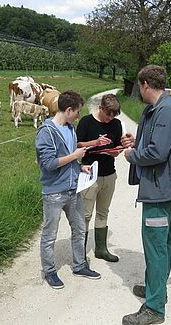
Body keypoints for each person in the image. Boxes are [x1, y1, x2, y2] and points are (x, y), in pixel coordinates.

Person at [121, 65, 171, 325]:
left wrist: (133, 155)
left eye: (138, 86)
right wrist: (136, 141)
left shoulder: (165, 111)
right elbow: (154, 142)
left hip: (160, 190)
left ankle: (154, 308)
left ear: (144, 84)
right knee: (161, 243)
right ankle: (157, 289)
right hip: (162, 188)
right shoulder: (158, 109)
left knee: (155, 245)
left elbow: (158, 152)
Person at [35, 90, 101, 289]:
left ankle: (79, 265)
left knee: (80, 229)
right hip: (54, 192)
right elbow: (48, 164)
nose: (79, 116)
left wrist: (80, 166)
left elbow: (70, 158)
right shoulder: (46, 132)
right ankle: (49, 271)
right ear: (68, 109)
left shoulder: (70, 129)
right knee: (50, 234)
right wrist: (75, 156)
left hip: (73, 189)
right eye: (77, 112)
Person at [76, 94, 123, 262]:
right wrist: (95, 143)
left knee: (103, 212)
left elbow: (117, 145)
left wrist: (117, 150)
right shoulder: (86, 122)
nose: (111, 118)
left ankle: (101, 249)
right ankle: (79, 252)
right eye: (108, 113)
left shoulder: (116, 124)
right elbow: (77, 144)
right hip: (89, 174)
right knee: (85, 214)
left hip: (109, 173)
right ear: (100, 108)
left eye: (114, 114)